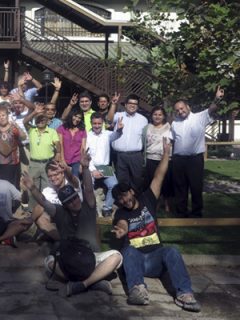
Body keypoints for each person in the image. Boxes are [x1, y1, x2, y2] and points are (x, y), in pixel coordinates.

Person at [111, 137, 201, 312]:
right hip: (135, 260)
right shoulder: (121, 213)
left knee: (172, 250)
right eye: (120, 198)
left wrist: (166, 153)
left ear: (131, 191)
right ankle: (137, 290)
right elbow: (122, 224)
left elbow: (159, 175)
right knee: (128, 250)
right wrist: (122, 230)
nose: (125, 200)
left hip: (155, 259)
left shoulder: (148, 199)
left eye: (125, 194)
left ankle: (185, 294)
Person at [23, 149, 123, 296]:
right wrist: (32, 187)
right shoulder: (59, 212)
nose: (74, 202)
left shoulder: (87, 207)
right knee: (49, 261)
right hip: (70, 257)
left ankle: (81, 284)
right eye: (69, 201)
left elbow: (88, 189)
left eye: (75, 198)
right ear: (64, 204)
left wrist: (86, 167)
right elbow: (44, 202)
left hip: (91, 256)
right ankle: (95, 281)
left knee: (117, 256)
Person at [171, 87, 224, 218]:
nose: (180, 111)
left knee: (195, 187)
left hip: (194, 160)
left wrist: (217, 98)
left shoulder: (200, 117)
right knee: (180, 187)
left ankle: (196, 212)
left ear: (188, 107)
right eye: (177, 110)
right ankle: (181, 212)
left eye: (182, 108)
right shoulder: (174, 123)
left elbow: (212, 109)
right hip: (178, 160)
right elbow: (172, 140)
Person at [106, 94, 148, 191]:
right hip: (120, 156)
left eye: (135, 104)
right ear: (125, 104)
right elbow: (108, 120)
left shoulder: (143, 120)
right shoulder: (118, 116)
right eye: (130, 103)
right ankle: (124, 203)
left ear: (137, 106)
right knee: (122, 181)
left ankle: (137, 202)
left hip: (136, 156)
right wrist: (113, 104)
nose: (132, 105)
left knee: (137, 180)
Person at [86, 112, 123, 217]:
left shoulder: (107, 134)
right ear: (91, 123)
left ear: (102, 123)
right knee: (88, 186)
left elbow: (117, 135)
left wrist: (119, 129)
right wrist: (93, 170)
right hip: (91, 167)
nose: (97, 126)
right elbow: (86, 156)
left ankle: (107, 208)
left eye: (99, 123)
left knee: (115, 186)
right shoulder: (87, 136)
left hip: (105, 167)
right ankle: (91, 209)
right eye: (95, 123)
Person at [0, 103, 26, 188]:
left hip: (11, 164)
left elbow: (23, 137)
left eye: (3, 115)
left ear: (7, 115)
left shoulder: (14, 128)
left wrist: (18, 128)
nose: (1, 117)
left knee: (12, 186)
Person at [144, 106, 173, 213]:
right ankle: (154, 202)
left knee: (166, 182)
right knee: (152, 182)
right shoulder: (147, 127)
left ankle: (166, 203)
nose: (157, 116)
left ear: (164, 116)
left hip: (165, 158)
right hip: (151, 158)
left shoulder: (169, 127)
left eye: (160, 114)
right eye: (155, 114)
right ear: (152, 116)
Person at [57, 109, 87, 178]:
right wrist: (62, 160)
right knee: (62, 179)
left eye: (79, 118)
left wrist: (81, 163)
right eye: (75, 116)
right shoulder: (62, 128)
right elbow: (60, 145)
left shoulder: (82, 130)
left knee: (75, 180)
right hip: (64, 158)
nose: (77, 119)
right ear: (71, 116)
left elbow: (83, 147)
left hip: (76, 159)